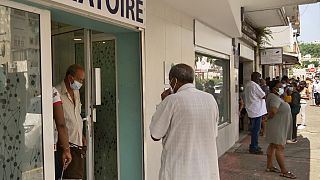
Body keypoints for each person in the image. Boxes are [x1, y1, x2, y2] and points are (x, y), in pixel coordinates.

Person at [150, 64, 220, 180]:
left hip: (179, 170)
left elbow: (155, 134)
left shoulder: (171, 100)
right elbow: (213, 133)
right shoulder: (210, 99)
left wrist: (163, 103)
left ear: (174, 81)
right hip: (205, 169)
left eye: (170, 81)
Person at [55, 64, 86, 179]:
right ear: (70, 78)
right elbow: (60, 124)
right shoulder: (57, 93)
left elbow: (76, 115)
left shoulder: (75, 92)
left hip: (77, 144)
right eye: (80, 80)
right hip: (66, 145)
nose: (81, 83)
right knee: (70, 176)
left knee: (77, 176)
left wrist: (81, 134)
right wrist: (66, 148)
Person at [265, 80, 296, 179]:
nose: (281, 88)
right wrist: (267, 118)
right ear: (274, 88)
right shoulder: (274, 97)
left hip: (278, 125)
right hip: (276, 126)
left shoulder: (276, 97)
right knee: (279, 147)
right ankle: (284, 171)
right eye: (279, 86)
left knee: (273, 145)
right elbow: (273, 111)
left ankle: (269, 166)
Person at [244, 72, 267, 154]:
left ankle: (254, 145)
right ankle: (254, 147)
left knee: (254, 130)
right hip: (257, 111)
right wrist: (264, 85)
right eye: (259, 78)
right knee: (256, 130)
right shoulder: (255, 85)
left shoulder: (248, 84)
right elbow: (263, 95)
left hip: (252, 110)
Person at [53, 87, 72, 179]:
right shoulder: (52, 92)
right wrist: (67, 150)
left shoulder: (22, 92)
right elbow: (60, 124)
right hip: (48, 150)